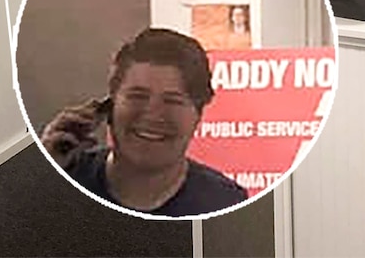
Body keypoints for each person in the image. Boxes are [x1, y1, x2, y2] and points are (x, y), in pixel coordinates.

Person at [40, 28, 247, 217]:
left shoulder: (224, 203)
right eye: (137, 96)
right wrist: (37, 175)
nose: (153, 113)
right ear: (108, 106)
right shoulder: (65, 177)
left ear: (198, 116)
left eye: (172, 101)